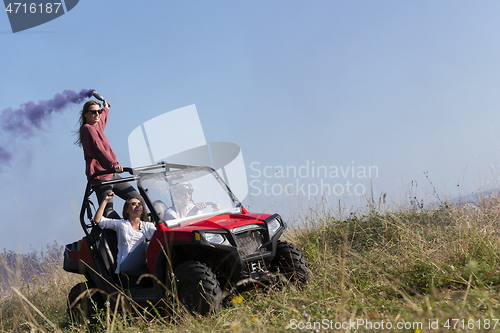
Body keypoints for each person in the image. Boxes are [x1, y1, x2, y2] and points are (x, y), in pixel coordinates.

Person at [75, 99, 141, 218]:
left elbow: (102, 119)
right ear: (85, 114)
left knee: (138, 201)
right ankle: (121, 233)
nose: (97, 114)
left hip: (111, 174)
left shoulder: (96, 127)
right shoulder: (87, 129)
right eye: (93, 112)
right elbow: (99, 148)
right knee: (108, 211)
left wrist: (106, 109)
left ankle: (139, 228)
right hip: (101, 176)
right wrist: (113, 165)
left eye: (99, 112)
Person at [94, 192, 156, 274]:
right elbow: (98, 220)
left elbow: (160, 235)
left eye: (140, 204)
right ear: (127, 210)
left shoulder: (148, 225)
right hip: (126, 263)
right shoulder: (121, 224)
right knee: (146, 244)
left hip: (144, 261)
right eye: (133, 204)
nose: (138, 205)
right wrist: (105, 201)